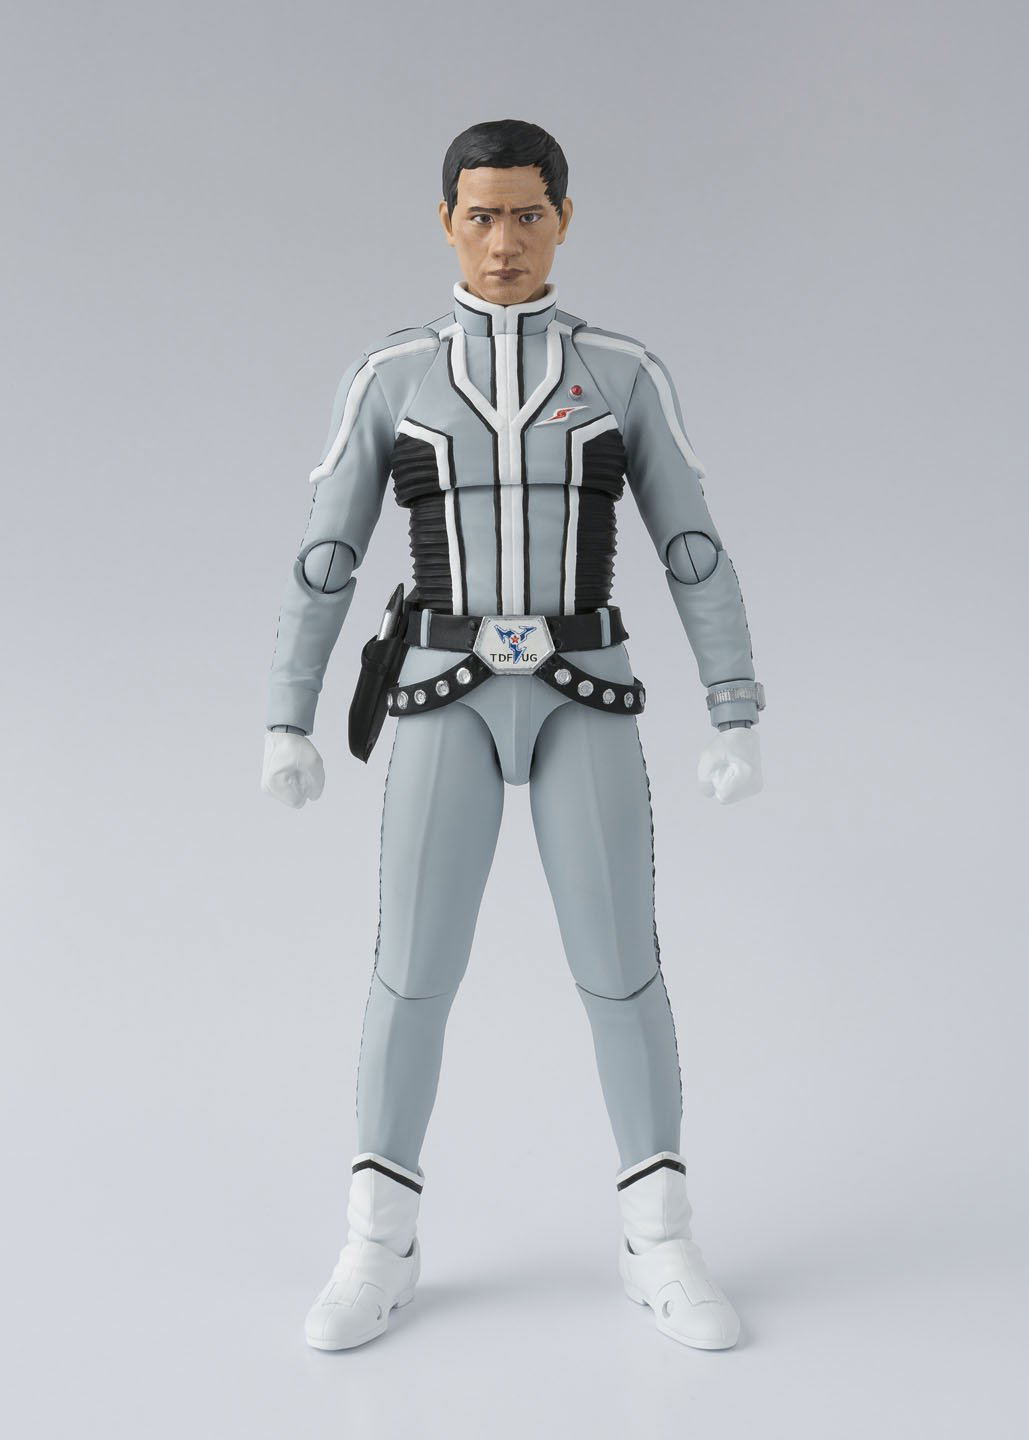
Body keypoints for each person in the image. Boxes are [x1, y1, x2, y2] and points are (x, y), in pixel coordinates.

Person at [262, 118, 765, 1352]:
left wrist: (734, 704)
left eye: (527, 214)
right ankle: (379, 1239)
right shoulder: (391, 375)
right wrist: (288, 712)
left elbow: (691, 545)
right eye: (480, 215)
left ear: (564, 219)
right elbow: (327, 557)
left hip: (586, 689)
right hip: (443, 693)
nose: (502, 242)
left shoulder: (623, 372)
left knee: (622, 966)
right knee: (412, 971)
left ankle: (659, 1235)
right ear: (446, 221)